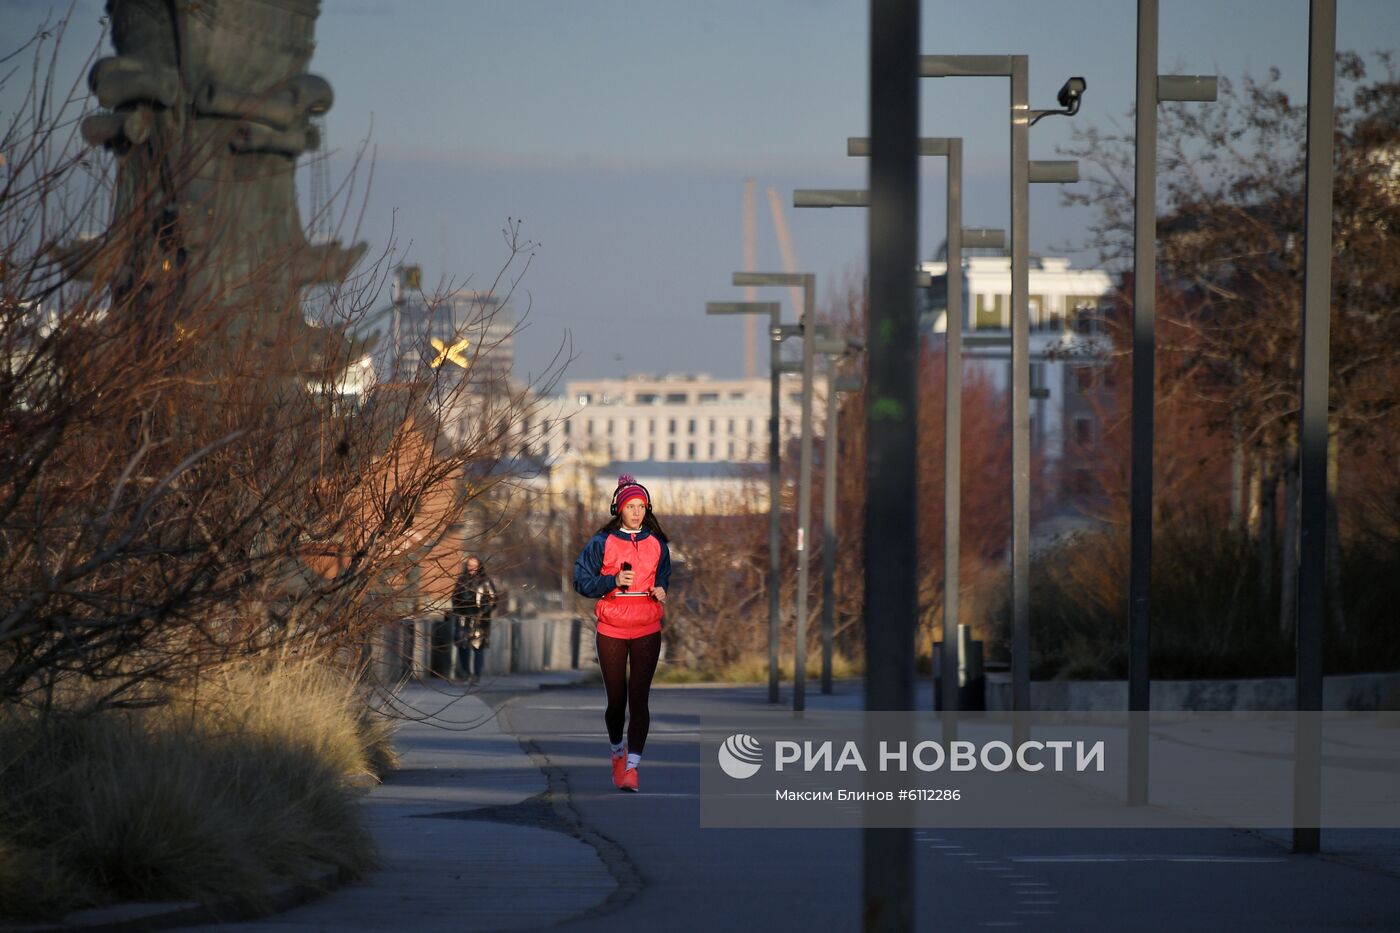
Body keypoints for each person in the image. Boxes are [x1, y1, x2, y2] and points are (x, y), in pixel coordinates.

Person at [573, 474, 670, 793]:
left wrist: (661, 590)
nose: (637, 512)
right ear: (619, 508)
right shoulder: (601, 543)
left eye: (642, 506)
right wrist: (612, 582)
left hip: (647, 626)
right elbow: (581, 582)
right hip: (612, 627)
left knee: (639, 700)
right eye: (631, 506)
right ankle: (617, 752)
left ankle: (632, 769)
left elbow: (665, 576)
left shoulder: (657, 543)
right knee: (617, 702)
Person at [452, 554, 497, 684]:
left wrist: (483, 613)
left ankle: (476, 675)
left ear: (479, 567)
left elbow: (493, 600)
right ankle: (466, 673)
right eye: (469, 565)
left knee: (478, 647)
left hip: (479, 620)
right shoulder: (462, 580)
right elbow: (455, 598)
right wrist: (456, 610)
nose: (471, 568)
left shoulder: (486, 581)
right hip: (463, 618)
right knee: (462, 646)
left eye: (474, 566)